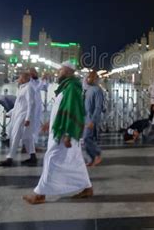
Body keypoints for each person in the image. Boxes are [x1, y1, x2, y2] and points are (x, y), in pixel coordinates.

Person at [23, 61, 92, 204]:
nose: (58, 72)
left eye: (60, 70)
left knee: (51, 158)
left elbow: (73, 111)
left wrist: (67, 133)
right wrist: (51, 123)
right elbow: (61, 109)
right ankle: (87, 188)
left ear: (67, 71)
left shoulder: (71, 87)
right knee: (75, 159)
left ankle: (40, 194)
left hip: (64, 132)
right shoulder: (66, 87)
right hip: (60, 129)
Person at [0, 72, 37, 167]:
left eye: (20, 77)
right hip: (19, 115)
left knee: (15, 136)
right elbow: (19, 105)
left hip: (23, 117)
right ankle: (32, 157)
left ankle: (9, 158)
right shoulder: (22, 88)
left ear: (24, 78)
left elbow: (31, 104)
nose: (18, 79)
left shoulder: (28, 88)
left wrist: (28, 118)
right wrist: (9, 113)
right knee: (28, 138)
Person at [84, 70, 104, 167]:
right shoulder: (88, 89)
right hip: (86, 118)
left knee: (87, 137)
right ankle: (92, 158)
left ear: (96, 79)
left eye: (91, 77)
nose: (89, 78)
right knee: (86, 139)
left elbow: (98, 107)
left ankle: (97, 154)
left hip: (91, 119)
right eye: (88, 77)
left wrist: (93, 121)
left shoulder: (97, 90)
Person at [29, 68, 46, 144]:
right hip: (32, 105)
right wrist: (42, 80)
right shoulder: (29, 81)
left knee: (37, 122)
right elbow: (36, 89)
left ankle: (35, 141)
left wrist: (46, 80)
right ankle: (30, 141)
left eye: (35, 72)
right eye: (33, 72)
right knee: (32, 122)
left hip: (38, 104)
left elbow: (44, 87)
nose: (35, 74)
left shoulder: (37, 80)